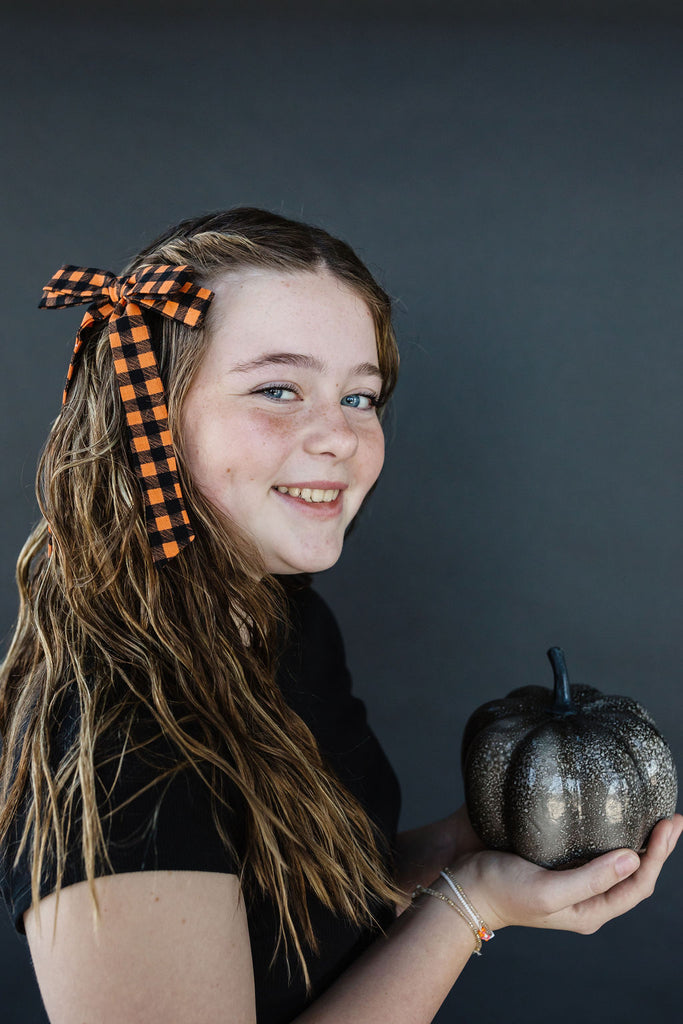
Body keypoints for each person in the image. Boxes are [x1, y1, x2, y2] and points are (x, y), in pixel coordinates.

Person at [0, 207, 680, 1024]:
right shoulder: (120, 747)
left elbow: (299, 913)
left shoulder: (282, 619)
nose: (339, 437)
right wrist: (469, 908)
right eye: (277, 389)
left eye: (359, 396)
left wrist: (457, 847)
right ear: (149, 412)